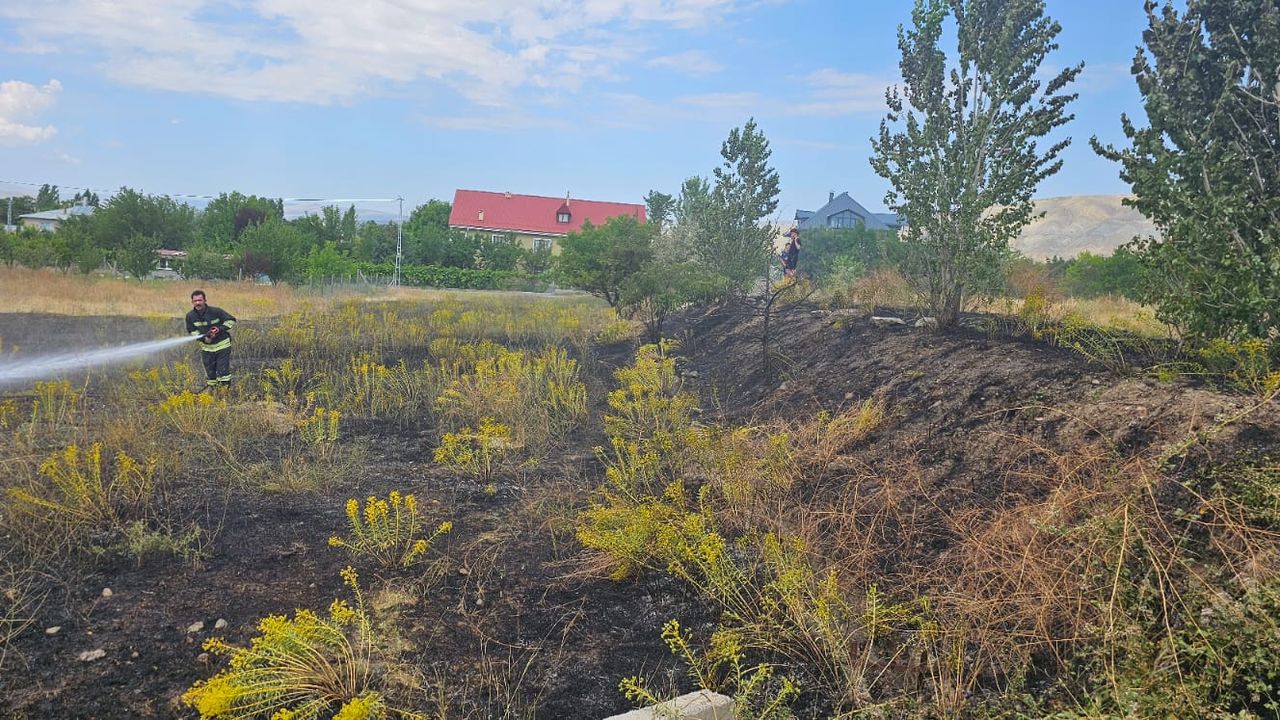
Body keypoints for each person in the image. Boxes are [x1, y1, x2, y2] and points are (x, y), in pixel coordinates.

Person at [185, 290, 237, 389]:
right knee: (210, 375)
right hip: (207, 349)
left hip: (222, 346)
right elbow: (192, 331)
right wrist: (204, 339)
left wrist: (219, 329)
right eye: (195, 301)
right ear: (192, 302)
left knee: (223, 372)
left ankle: (224, 394)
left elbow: (231, 320)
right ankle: (212, 393)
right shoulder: (190, 316)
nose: (198, 303)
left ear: (205, 300)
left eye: (200, 300)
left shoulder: (216, 311)